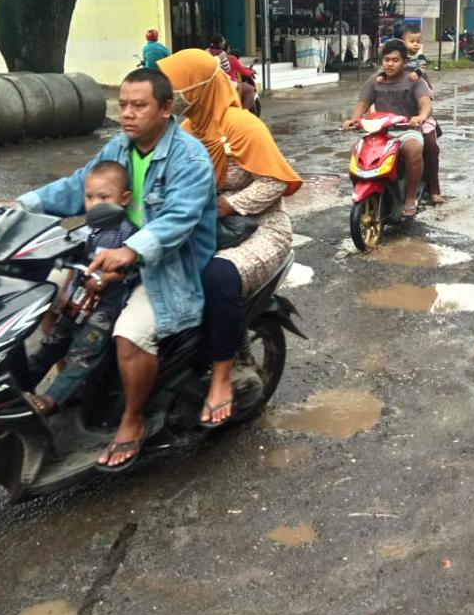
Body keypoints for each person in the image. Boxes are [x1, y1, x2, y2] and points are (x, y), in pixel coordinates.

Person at [17, 68, 217, 471]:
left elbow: (177, 220)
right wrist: (19, 208)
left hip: (167, 266)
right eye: (123, 105)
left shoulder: (190, 156)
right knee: (48, 295)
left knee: (129, 335)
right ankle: (76, 382)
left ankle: (132, 420)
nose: (127, 113)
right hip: (110, 250)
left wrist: (130, 252)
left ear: (165, 108)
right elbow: (79, 186)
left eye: (139, 105)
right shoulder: (119, 147)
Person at [158, 49, 302, 427]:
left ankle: (223, 376)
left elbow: (275, 181)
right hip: (206, 229)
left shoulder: (242, 125)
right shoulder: (187, 131)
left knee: (217, 277)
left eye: (177, 87)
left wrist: (226, 206)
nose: (172, 96)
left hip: (261, 230)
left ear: (200, 85)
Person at [23, 162, 138, 416]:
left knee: (81, 354)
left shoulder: (127, 235)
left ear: (124, 199)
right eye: (89, 197)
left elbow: (132, 269)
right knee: (51, 344)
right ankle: (18, 386)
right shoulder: (87, 229)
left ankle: (52, 399)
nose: (95, 204)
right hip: (76, 303)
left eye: (104, 197)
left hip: (104, 310)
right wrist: (66, 291)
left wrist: (107, 278)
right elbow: (76, 264)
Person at [343, 38, 431, 217]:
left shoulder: (414, 80)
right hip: (379, 130)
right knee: (356, 152)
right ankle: (365, 189)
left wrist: (420, 117)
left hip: (406, 129)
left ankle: (410, 197)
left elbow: (425, 104)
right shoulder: (375, 80)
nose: (390, 64)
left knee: (414, 150)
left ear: (404, 62)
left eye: (395, 60)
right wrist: (354, 120)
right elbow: (363, 104)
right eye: (386, 60)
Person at [402, 26, 444, 204]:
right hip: (397, 119)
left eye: (418, 42)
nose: (415, 44)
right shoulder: (392, 68)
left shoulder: (419, 68)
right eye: (411, 41)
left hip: (419, 117)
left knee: (431, 146)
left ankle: (434, 190)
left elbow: (427, 103)